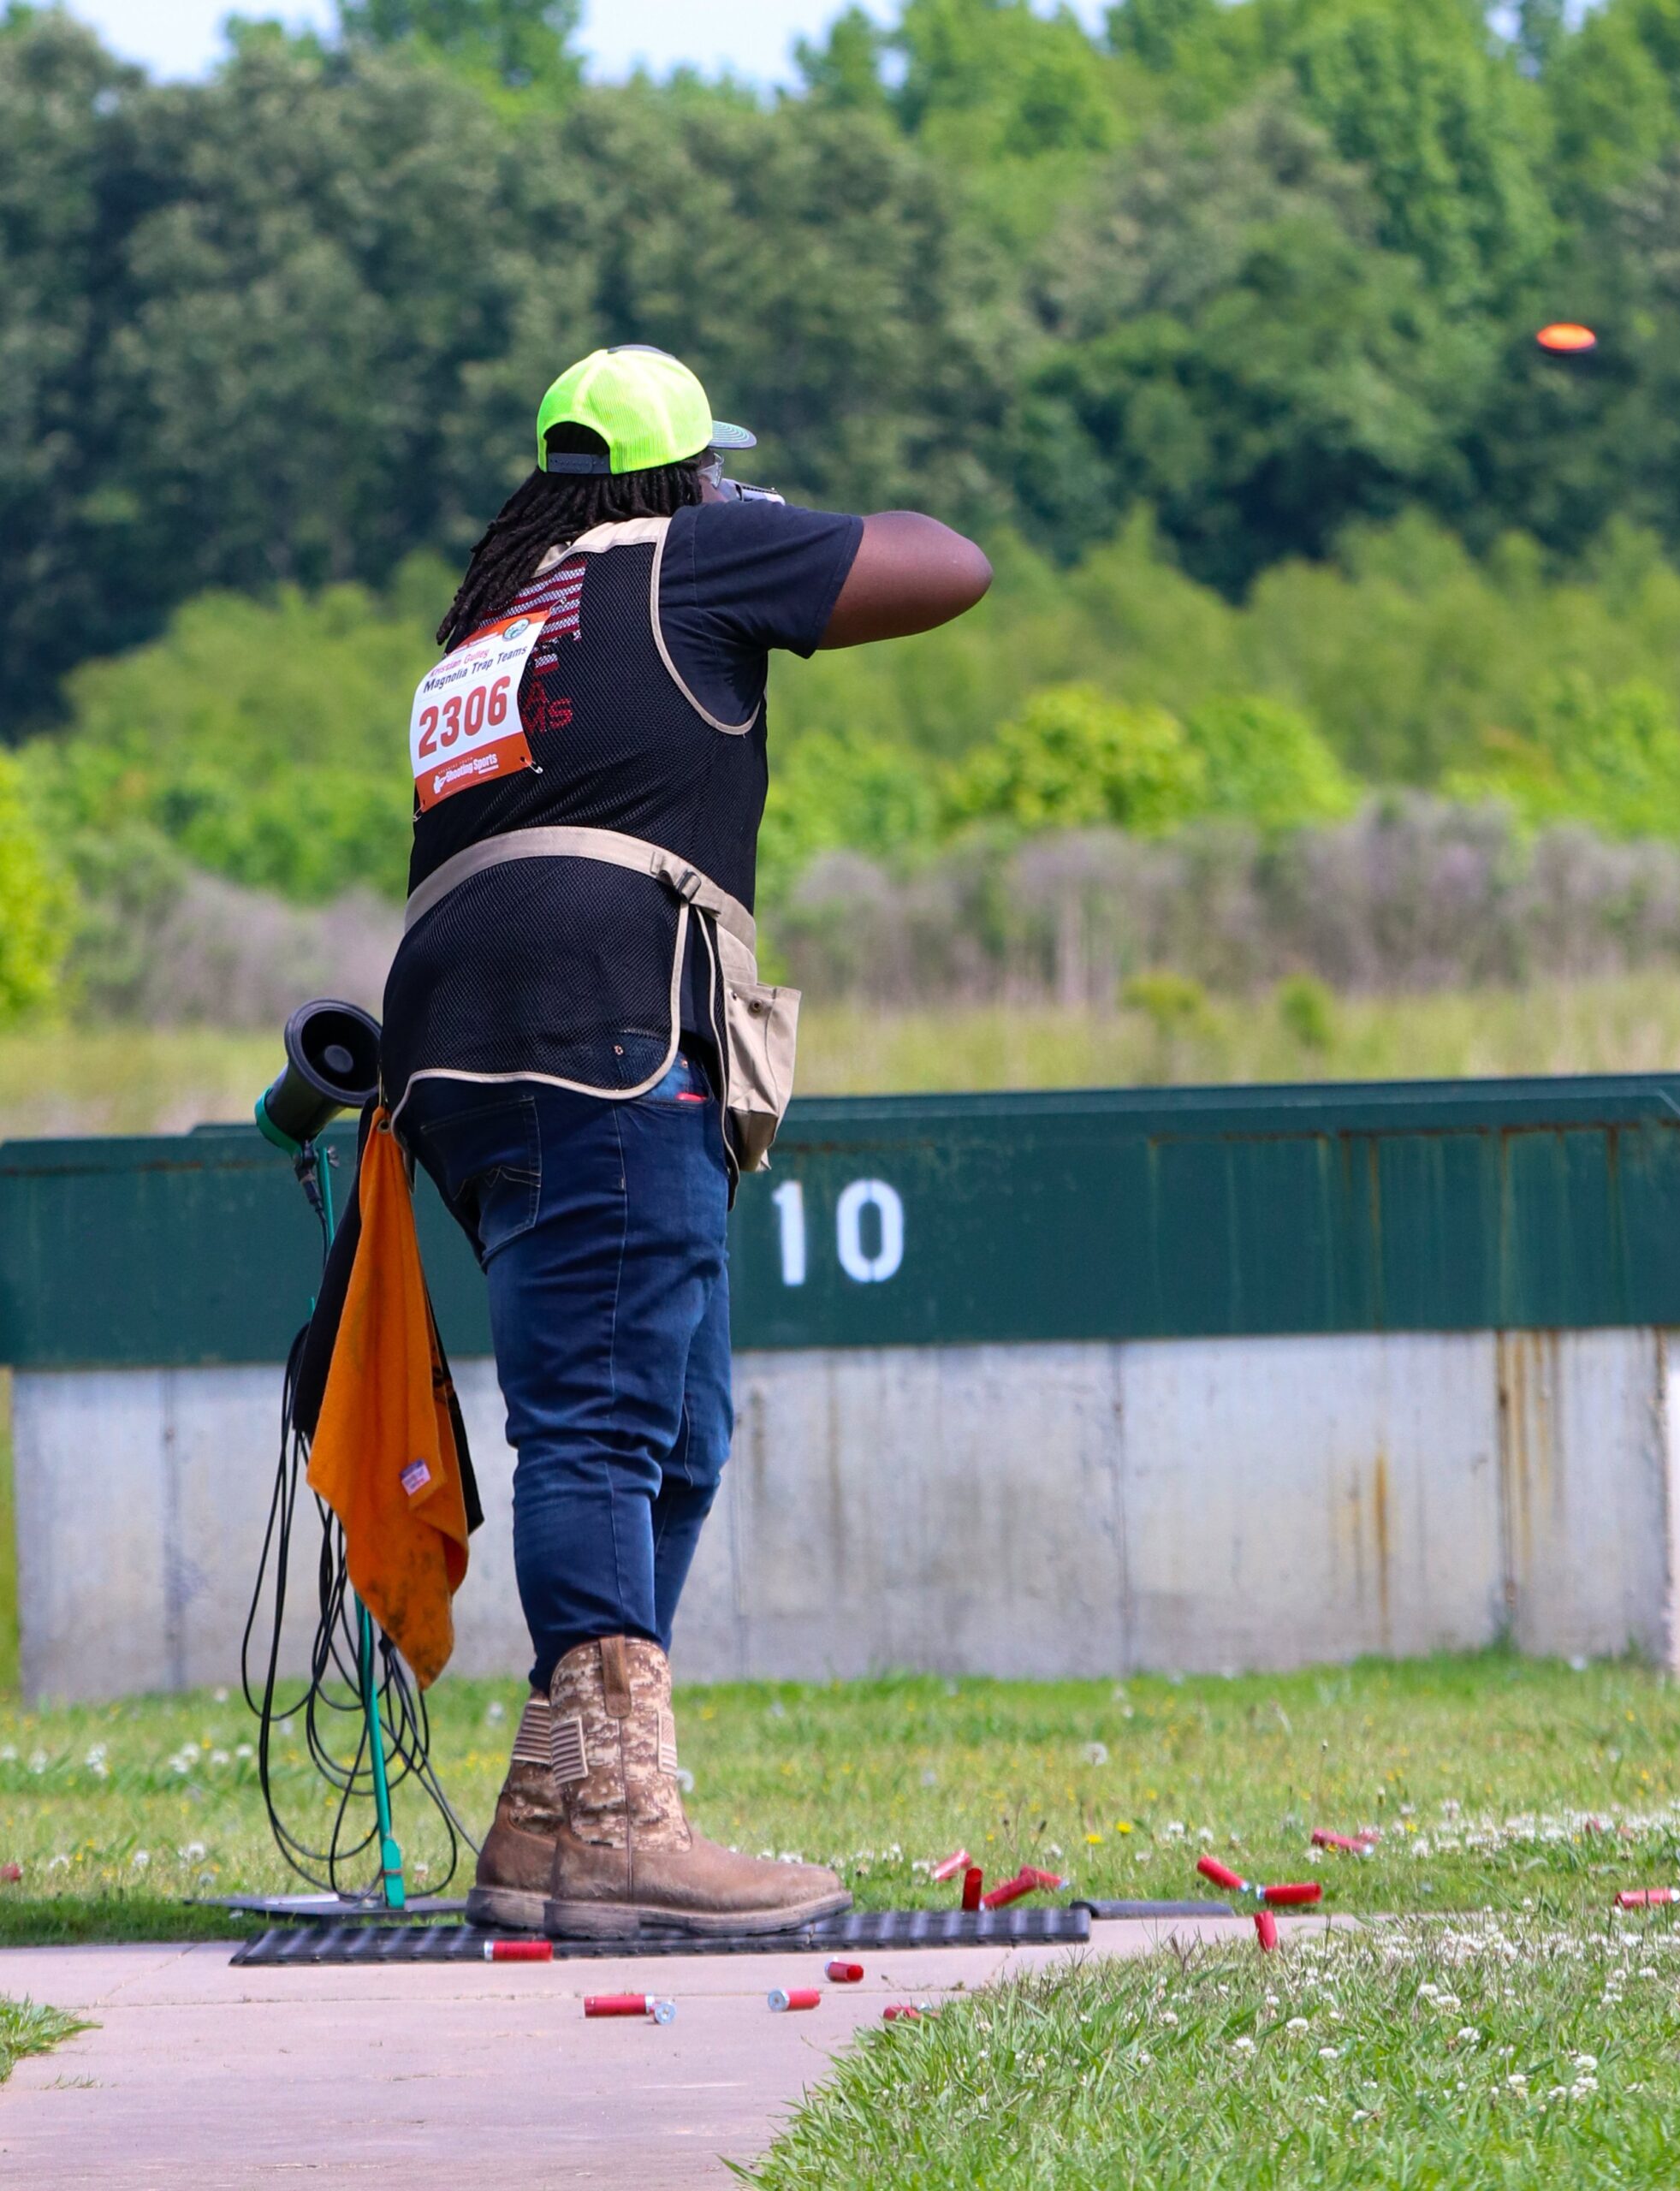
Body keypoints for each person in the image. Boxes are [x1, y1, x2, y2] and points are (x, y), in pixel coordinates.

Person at [380, 347, 991, 1939]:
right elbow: (947, 564)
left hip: (456, 1042)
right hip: (601, 1028)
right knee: (597, 1421)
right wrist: (759, 516)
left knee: (672, 1422)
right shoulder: (689, 550)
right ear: (680, 473)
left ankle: (553, 1814)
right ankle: (614, 1826)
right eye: (710, 466)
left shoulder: (490, 624)